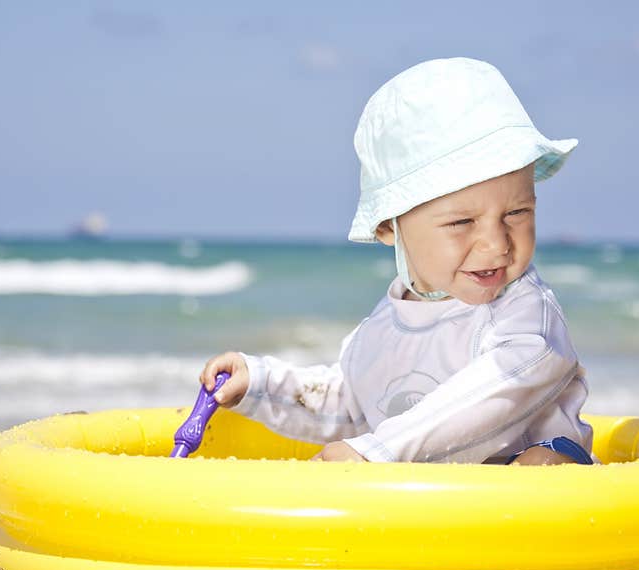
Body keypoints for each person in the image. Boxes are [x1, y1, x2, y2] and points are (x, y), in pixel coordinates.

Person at [198, 57, 595, 466]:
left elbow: (499, 388)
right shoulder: (386, 323)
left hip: (546, 500)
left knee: (541, 464)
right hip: (441, 504)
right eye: (462, 222)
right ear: (388, 227)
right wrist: (263, 385)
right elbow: (352, 405)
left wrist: (377, 452)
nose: (496, 244)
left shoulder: (526, 316)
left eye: (517, 213)